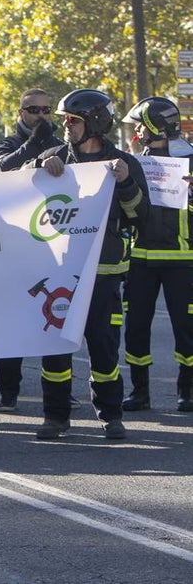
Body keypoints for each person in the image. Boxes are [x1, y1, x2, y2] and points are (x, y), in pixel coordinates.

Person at [27, 88, 148, 440]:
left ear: (95, 123)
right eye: (65, 120)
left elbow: (141, 216)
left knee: (104, 350)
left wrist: (125, 182)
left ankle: (111, 416)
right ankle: (55, 417)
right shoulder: (52, 158)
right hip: (59, 274)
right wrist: (37, 168)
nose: (66, 125)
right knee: (55, 352)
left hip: (103, 275)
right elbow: (14, 189)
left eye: (73, 120)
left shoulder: (124, 164)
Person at [0, 88, 65, 411]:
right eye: (35, 110)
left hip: (53, 244)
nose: (42, 116)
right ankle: (8, 392)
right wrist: (36, 148)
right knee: (14, 323)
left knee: (56, 317)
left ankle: (60, 391)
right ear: (21, 113)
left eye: (47, 110)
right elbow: (1, 169)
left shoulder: (62, 145)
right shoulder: (6, 144)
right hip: (16, 246)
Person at [120, 97, 193, 413]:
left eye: (140, 126)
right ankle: (140, 392)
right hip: (141, 259)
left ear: (155, 126)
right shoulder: (134, 163)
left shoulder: (190, 160)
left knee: (187, 330)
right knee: (136, 328)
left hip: (183, 260)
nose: (137, 132)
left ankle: (187, 391)